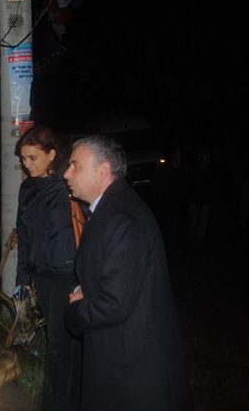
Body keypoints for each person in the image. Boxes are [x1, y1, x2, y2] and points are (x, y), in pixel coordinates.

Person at [64, 135, 190, 411]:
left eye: (75, 166)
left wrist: (75, 310)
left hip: (132, 368)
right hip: (120, 357)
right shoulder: (109, 209)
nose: (66, 173)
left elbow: (114, 304)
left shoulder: (121, 219)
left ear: (103, 170)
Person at [14, 125, 81, 411]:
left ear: (52, 154)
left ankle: (58, 403)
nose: (26, 164)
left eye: (32, 157)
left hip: (68, 276)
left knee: (60, 347)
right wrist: (23, 278)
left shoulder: (70, 187)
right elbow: (24, 235)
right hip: (41, 277)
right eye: (23, 159)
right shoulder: (27, 188)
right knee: (57, 344)